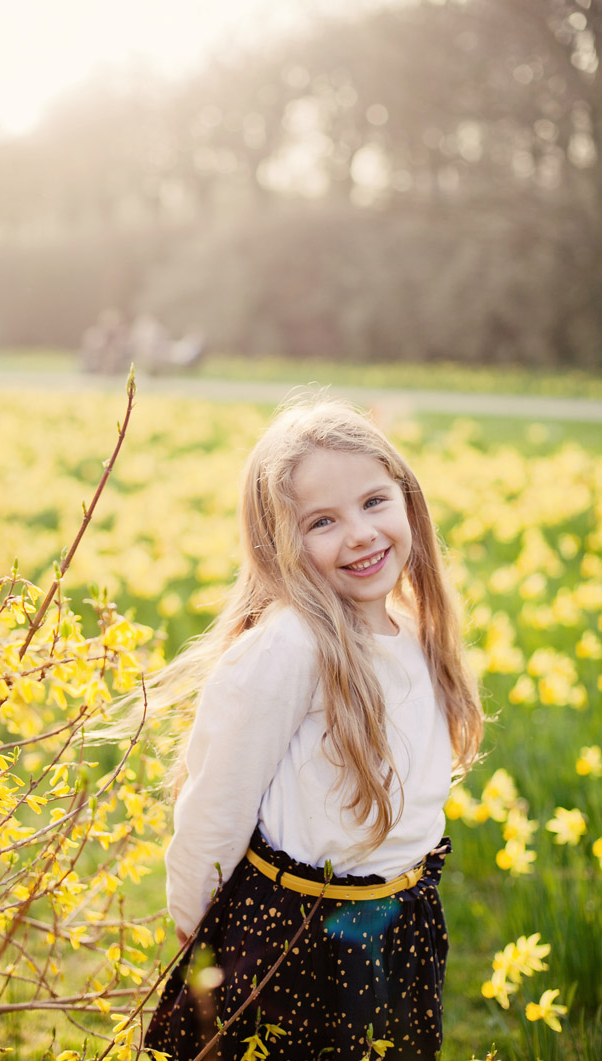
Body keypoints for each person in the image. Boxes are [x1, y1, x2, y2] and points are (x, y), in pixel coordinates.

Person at [144, 396, 483, 1061]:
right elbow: (217, 800)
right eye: (323, 520)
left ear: (408, 501)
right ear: (280, 545)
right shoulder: (290, 646)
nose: (360, 533)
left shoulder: (416, 628)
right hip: (292, 933)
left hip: (397, 922)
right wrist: (193, 914)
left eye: (374, 501)